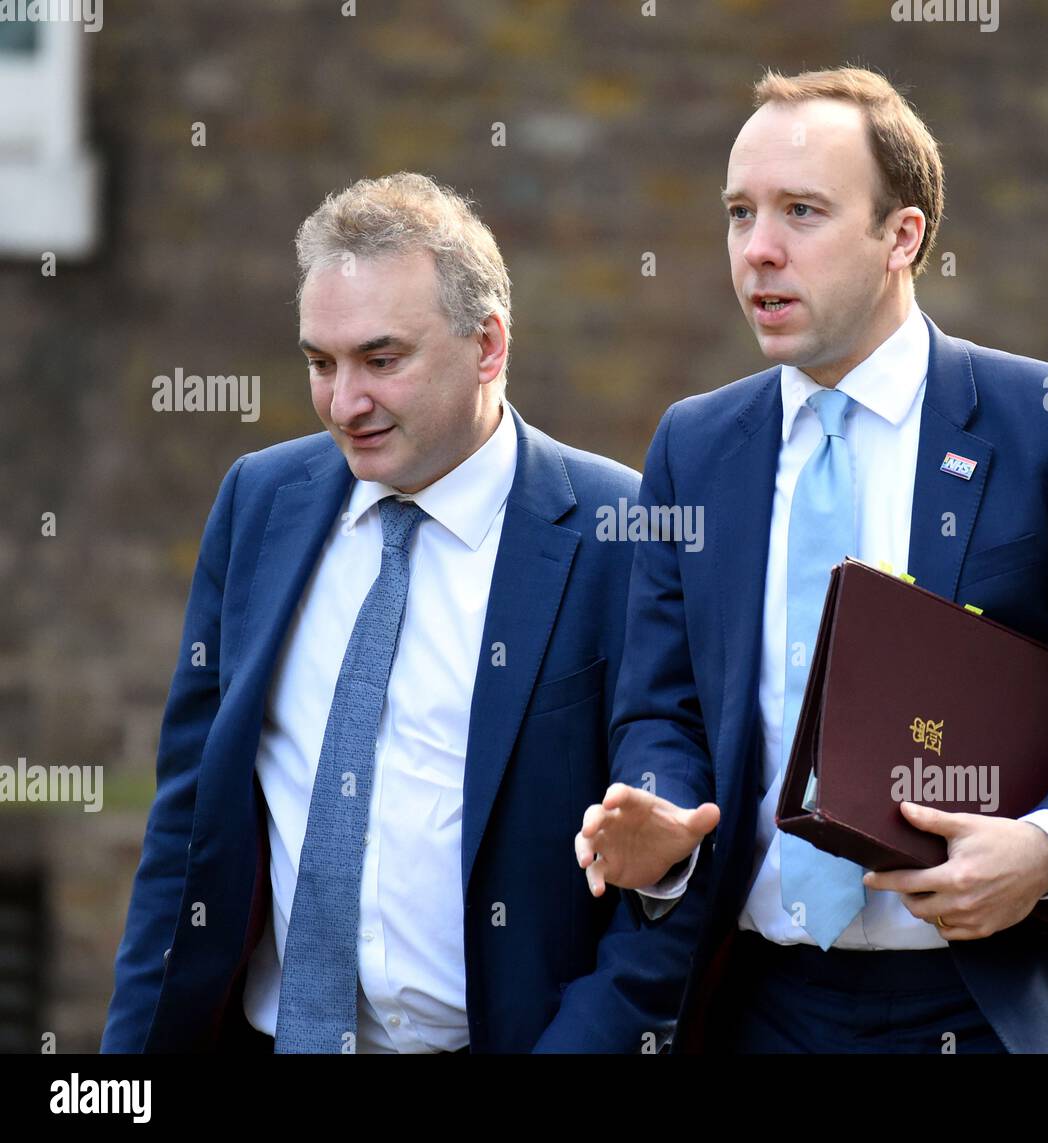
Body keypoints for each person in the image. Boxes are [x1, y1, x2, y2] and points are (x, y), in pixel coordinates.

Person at [575, 66, 1048, 1053]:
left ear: (902, 236)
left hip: (1004, 1004)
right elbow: (663, 706)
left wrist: (1047, 851)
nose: (757, 249)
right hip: (762, 1004)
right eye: (739, 212)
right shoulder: (694, 447)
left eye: (801, 211)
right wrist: (664, 822)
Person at [102, 172, 679, 1053]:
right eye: (320, 363)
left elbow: (658, 892)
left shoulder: (621, 531)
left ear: (488, 345)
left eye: (381, 359)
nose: (344, 402)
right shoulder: (260, 502)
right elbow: (187, 820)